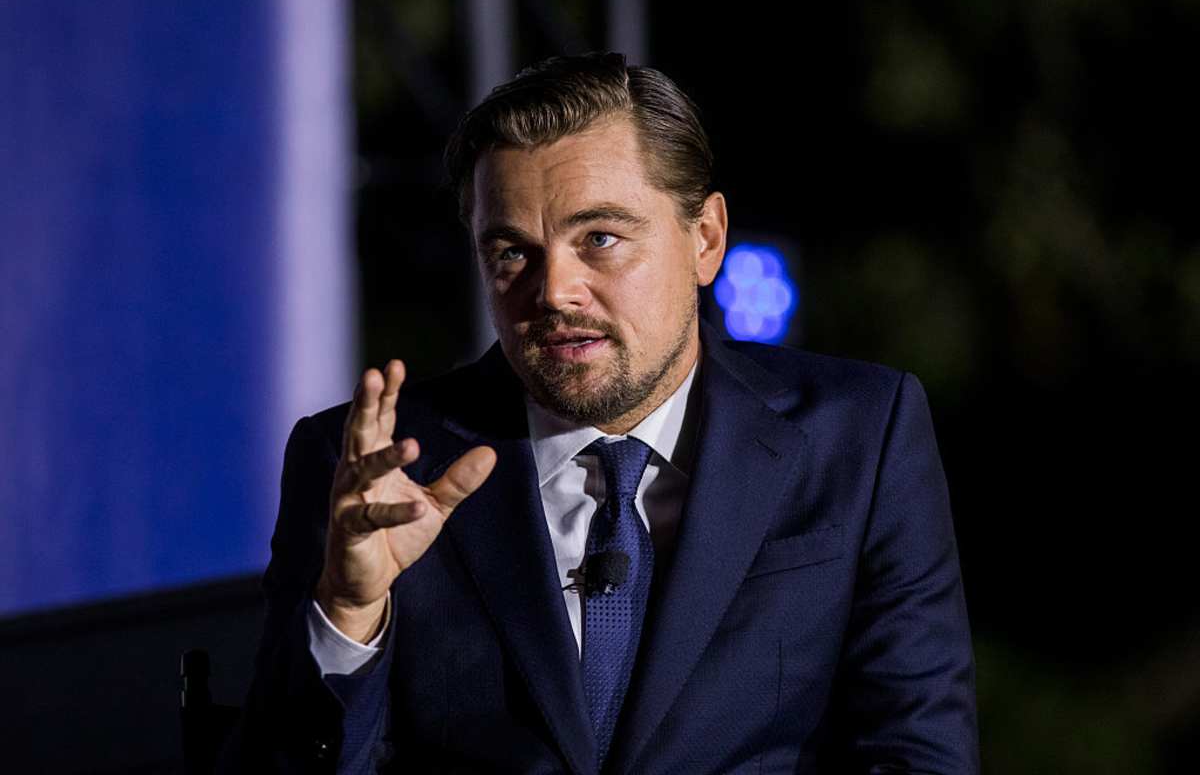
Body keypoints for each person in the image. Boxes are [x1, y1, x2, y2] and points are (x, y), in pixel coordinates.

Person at [222, 51, 979, 774]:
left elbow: (916, 751)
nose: (554, 293)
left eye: (602, 239)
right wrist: (350, 617)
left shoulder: (860, 435)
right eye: (512, 253)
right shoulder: (375, 468)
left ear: (706, 239)